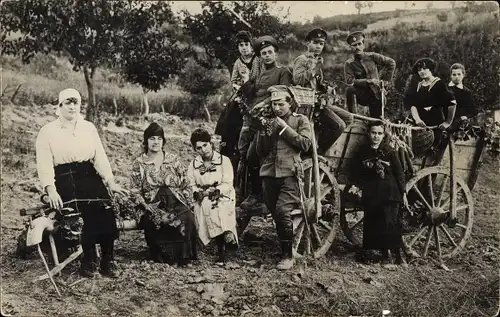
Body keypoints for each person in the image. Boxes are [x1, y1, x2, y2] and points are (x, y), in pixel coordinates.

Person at [36, 88, 128, 278]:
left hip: (88, 173)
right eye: (67, 103)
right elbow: (44, 164)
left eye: (75, 102)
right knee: (81, 213)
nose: (72, 107)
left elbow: (100, 157)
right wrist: (51, 190)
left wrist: (110, 182)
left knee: (104, 207)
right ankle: (88, 259)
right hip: (64, 177)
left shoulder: (88, 127)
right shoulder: (48, 131)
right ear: (59, 106)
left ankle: (108, 260)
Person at [255, 85, 312, 270]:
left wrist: (284, 129)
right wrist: (263, 132)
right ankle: (285, 247)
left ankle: (287, 256)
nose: (277, 108)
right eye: (274, 104)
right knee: (274, 212)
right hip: (269, 174)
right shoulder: (269, 121)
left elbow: (306, 145)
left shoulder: (300, 120)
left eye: (280, 104)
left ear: (290, 104)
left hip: (290, 174)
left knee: (281, 210)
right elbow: (260, 151)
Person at [238, 35, 293, 210]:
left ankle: (257, 195)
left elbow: (284, 93)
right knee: (241, 152)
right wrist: (245, 82)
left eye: (270, 52)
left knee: (252, 155)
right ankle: (244, 190)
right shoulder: (260, 75)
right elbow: (250, 94)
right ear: (260, 56)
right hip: (255, 119)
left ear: (276, 54)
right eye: (263, 53)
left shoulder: (283, 72)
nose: (267, 55)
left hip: (271, 119)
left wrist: (264, 103)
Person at [130, 123, 198, 266]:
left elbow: (186, 181)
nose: (156, 142)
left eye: (159, 139)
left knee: (187, 217)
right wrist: (144, 205)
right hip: (153, 202)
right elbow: (134, 189)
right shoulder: (140, 162)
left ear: (163, 141)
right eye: (152, 138)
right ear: (146, 141)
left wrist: (188, 201)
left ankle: (184, 256)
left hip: (175, 198)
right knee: (156, 220)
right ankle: (163, 256)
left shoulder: (172, 159)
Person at [350, 121, 407, 266]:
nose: (376, 136)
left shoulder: (389, 151)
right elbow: (355, 172)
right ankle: (384, 255)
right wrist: (360, 184)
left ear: (383, 135)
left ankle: (399, 257)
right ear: (369, 134)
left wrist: (403, 193)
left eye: (379, 133)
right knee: (374, 221)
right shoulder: (363, 151)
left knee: (390, 223)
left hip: (389, 192)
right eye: (373, 133)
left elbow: (399, 173)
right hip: (372, 192)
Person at [292, 27, 353, 154]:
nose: (318, 46)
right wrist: (313, 69)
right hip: (308, 104)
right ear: (307, 43)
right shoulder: (302, 59)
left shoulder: (316, 59)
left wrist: (326, 88)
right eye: (315, 43)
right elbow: (297, 80)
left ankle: (320, 140)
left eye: (321, 43)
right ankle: (318, 152)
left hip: (319, 102)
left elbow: (316, 82)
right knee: (339, 125)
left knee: (348, 118)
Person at [187, 128, 238, 264]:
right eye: (199, 148)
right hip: (202, 195)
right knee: (205, 205)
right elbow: (190, 184)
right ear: (195, 149)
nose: (203, 150)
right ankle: (222, 242)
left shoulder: (224, 160)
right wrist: (197, 192)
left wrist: (216, 191)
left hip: (222, 194)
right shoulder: (194, 165)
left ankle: (225, 247)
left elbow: (228, 183)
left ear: (210, 143)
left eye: (205, 145)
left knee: (217, 206)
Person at [215, 31, 262, 179]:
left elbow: (259, 80)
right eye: (241, 45)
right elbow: (234, 79)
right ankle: (228, 148)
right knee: (230, 115)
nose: (244, 48)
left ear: (252, 46)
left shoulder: (258, 61)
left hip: (255, 95)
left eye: (246, 45)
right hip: (241, 94)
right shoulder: (238, 62)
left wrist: (248, 83)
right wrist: (237, 87)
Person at [344, 31, 396, 118]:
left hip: (376, 93)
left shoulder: (372, 56)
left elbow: (391, 63)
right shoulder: (349, 63)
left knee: (376, 121)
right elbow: (349, 81)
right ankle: (352, 117)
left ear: (363, 45)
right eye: (354, 45)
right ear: (350, 48)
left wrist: (386, 82)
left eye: (359, 44)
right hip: (362, 94)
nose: (357, 47)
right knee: (349, 90)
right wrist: (368, 81)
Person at [448, 63, 478, 129]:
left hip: (461, 124)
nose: (457, 77)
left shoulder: (467, 92)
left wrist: (466, 116)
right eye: (454, 74)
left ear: (463, 75)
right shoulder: (445, 89)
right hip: (446, 123)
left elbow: (473, 110)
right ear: (450, 76)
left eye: (459, 74)